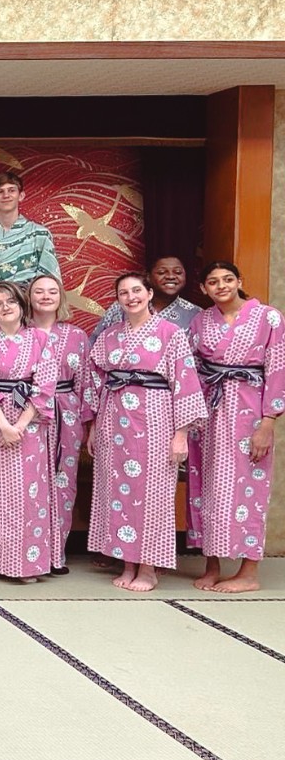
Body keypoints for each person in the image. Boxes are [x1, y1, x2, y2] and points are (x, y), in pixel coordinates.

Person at [86, 272, 207, 592]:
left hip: (155, 421)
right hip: (114, 421)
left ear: (149, 293)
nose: (131, 297)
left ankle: (149, 568)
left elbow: (185, 384)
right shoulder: (110, 335)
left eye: (137, 290)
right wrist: (94, 427)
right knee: (116, 493)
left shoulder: (171, 334)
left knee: (152, 494)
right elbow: (96, 382)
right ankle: (127, 563)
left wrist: (180, 434)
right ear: (117, 299)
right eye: (123, 292)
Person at [187, 261, 284, 593]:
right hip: (209, 411)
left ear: (240, 281)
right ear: (203, 289)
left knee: (248, 487)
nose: (221, 286)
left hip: (249, 412)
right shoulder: (201, 321)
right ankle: (211, 565)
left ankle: (249, 571)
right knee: (206, 485)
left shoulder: (268, 318)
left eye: (228, 279)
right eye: (212, 282)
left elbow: (277, 369)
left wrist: (268, 422)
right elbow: (192, 367)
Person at [0, 282, 59, 582]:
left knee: (28, 494)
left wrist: (20, 424)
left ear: (22, 305)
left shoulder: (41, 340)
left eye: (10, 301)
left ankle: (26, 564)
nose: (5, 306)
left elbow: (45, 385)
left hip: (28, 426)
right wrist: (3, 424)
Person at [28, 274, 93, 575]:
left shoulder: (77, 336)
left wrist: (86, 423)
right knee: (30, 483)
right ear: (28, 297)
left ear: (61, 298)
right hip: (28, 414)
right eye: (38, 291)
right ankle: (31, 552)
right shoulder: (19, 331)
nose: (45, 296)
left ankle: (57, 554)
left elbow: (85, 383)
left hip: (65, 412)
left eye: (52, 291)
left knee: (62, 483)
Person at [0, 171, 59, 331]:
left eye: (11, 190)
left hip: (25, 305)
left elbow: (49, 280)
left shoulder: (40, 235)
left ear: (21, 195)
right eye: (0, 192)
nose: (6, 195)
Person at [88, 254, 200, 345]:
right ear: (148, 277)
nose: (171, 276)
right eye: (161, 272)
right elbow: (95, 343)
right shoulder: (122, 306)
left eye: (178, 272)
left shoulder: (196, 314)